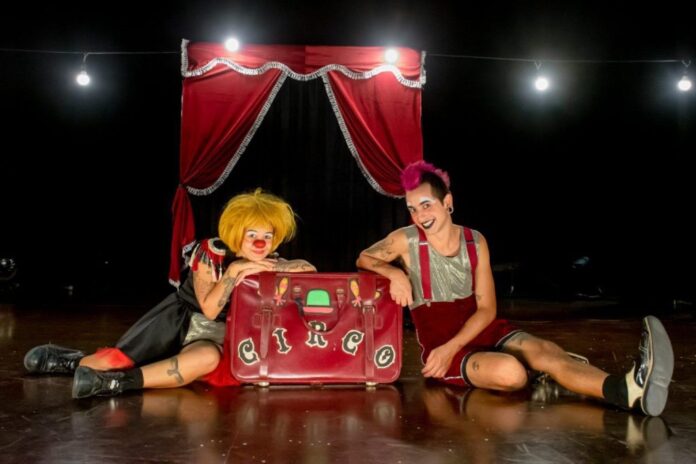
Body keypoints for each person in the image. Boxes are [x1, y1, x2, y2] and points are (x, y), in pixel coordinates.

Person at [357, 161, 674, 416]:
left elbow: (487, 309)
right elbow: (364, 258)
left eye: (426, 205)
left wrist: (456, 346)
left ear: (447, 202)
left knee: (546, 352)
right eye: (413, 208)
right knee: (512, 374)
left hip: (483, 330)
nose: (419, 216)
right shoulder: (405, 240)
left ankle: (626, 390)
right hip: (443, 348)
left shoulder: (475, 241)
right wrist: (394, 273)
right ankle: (536, 371)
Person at [24, 188, 315, 398]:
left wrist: (282, 266)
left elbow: (310, 270)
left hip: (216, 337)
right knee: (112, 361)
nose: (260, 243)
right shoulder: (211, 252)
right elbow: (209, 309)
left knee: (206, 359)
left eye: (267, 236)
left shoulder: (271, 262)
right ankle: (73, 361)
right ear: (237, 232)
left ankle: (117, 384)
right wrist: (233, 272)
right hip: (179, 322)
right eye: (252, 235)